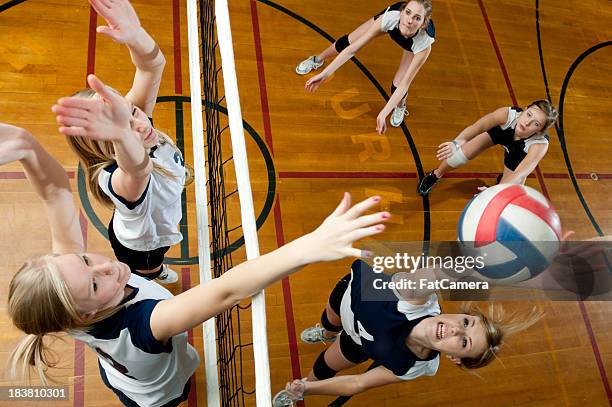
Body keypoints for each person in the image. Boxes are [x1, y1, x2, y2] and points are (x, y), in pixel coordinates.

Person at [2, 121, 389, 406]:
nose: (106, 267)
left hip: (124, 374)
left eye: (87, 259)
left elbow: (55, 194)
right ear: (82, 312)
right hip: (158, 394)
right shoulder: (144, 324)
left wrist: (25, 142)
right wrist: (311, 245)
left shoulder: (67, 302)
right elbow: (228, 289)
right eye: (94, 285)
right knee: (183, 388)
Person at [273, 260, 542, 406]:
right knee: (328, 323)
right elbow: (436, 274)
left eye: (463, 341)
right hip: (348, 292)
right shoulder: (416, 299)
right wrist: (499, 264)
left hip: (358, 339)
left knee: (322, 368)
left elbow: (358, 383)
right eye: (466, 322)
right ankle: (327, 331)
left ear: (454, 358)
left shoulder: (416, 367)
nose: (454, 328)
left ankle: (301, 389)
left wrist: (307, 390)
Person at [53, 0, 184, 284]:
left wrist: (137, 36)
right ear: (107, 142)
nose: (141, 124)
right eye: (124, 127)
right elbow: (139, 169)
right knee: (148, 269)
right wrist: (124, 134)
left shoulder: (138, 123)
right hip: (143, 246)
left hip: (144, 222)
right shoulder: (114, 178)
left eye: (132, 111)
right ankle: (152, 273)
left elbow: (152, 67)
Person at [296, 1, 434, 134]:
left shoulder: (424, 43)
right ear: (402, 11)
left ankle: (400, 106)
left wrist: (383, 113)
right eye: (408, 13)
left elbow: (405, 84)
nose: (409, 21)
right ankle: (318, 59)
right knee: (348, 41)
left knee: (397, 88)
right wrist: (325, 74)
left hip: (411, 47)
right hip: (391, 25)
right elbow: (352, 49)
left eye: (417, 18)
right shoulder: (390, 17)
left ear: (423, 24)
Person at [417, 100, 559, 196]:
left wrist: (495, 192)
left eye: (536, 124)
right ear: (525, 110)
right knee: (458, 156)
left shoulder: (539, 145)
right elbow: (478, 127)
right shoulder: (507, 115)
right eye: (528, 115)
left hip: (518, 155)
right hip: (500, 134)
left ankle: (500, 182)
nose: (527, 123)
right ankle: (436, 174)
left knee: (509, 189)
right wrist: (457, 142)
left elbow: (520, 174)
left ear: (540, 131)